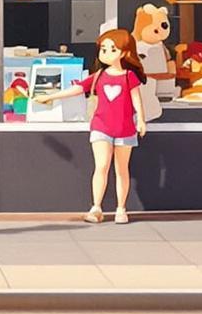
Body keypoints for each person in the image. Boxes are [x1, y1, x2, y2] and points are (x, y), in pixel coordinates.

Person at [39, 26, 150, 224]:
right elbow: (77, 89)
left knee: (122, 169)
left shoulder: (129, 76)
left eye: (112, 49)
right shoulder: (99, 75)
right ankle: (96, 207)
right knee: (101, 166)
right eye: (103, 49)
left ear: (124, 53)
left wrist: (141, 119)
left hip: (125, 128)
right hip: (101, 127)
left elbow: (136, 100)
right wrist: (51, 96)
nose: (106, 53)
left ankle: (121, 208)